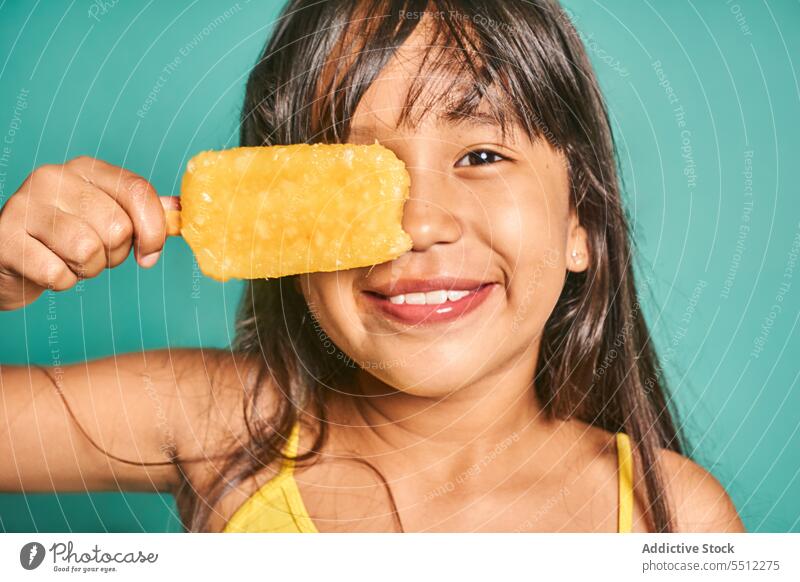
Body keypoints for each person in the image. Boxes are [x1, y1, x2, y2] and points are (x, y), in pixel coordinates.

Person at [0, 0, 745, 533]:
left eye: (482, 154)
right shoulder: (218, 424)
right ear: (288, 230)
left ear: (581, 220)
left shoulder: (669, 516)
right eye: (361, 170)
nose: (418, 223)